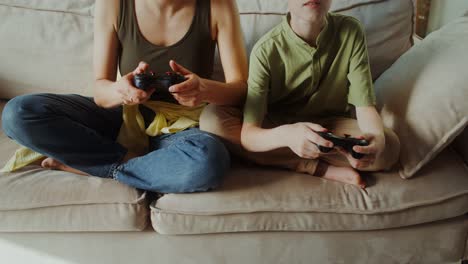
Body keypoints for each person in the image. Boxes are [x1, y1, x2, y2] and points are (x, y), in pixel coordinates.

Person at [1, 0, 248, 193]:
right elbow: (101, 93)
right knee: (18, 113)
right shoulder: (114, 4)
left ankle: (92, 166)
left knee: (208, 161)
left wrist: (204, 89)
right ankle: (137, 164)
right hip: (121, 114)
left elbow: (241, 89)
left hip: (181, 128)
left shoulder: (218, 5)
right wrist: (121, 90)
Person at [200, 0, 400, 188]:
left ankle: (312, 154)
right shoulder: (265, 51)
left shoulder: (351, 31)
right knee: (213, 120)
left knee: (390, 146)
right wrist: (287, 136)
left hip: (331, 128)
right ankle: (315, 167)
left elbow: (365, 107)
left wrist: (375, 140)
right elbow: (250, 134)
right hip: (278, 126)